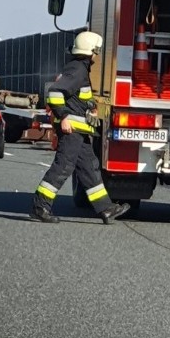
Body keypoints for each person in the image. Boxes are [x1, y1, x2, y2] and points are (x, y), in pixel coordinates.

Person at [30, 31, 129, 225]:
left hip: (79, 130)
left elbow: (78, 96)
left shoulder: (80, 69)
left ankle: (106, 208)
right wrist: (64, 116)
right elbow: (55, 92)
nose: (97, 55)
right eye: (96, 51)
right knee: (63, 167)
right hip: (72, 129)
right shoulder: (77, 70)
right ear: (91, 51)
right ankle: (40, 207)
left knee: (90, 168)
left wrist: (90, 104)